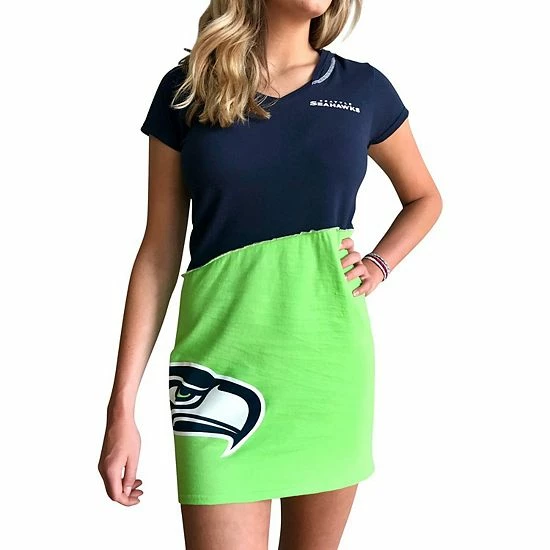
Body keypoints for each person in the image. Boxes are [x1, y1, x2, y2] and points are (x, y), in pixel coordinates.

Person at [98, 0, 442, 548]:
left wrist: (379, 264)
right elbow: (159, 252)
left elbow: (424, 197)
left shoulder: (363, 89)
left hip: (327, 371)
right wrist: (121, 408)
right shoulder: (187, 90)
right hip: (216, 376)